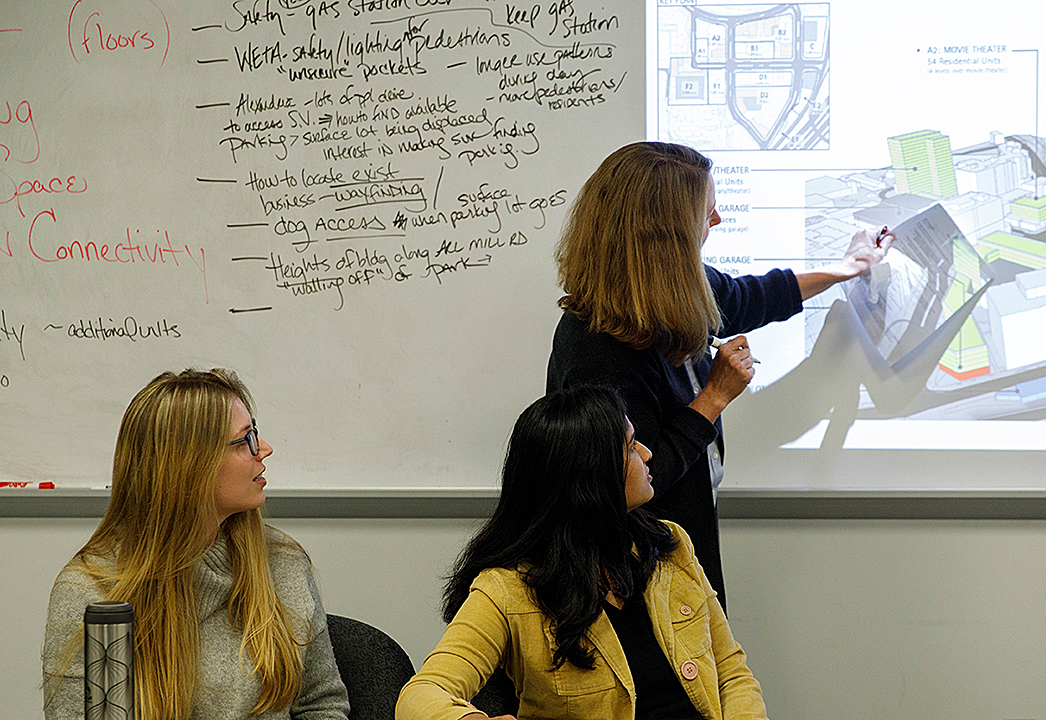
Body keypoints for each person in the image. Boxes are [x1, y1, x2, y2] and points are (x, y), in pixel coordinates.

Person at [546, 141, 892, 607]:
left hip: (682, 548)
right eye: (705, 213)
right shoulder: (597, 348)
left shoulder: (676, 288)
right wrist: (714, 397)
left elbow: (748, 298)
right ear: (665, 233)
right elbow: (635, 482)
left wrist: (844, 269)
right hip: (635, 576)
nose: (716, 222)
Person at [396, 385, 768, 720]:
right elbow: (422, 694)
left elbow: (730, 673)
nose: (647, 453)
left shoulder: (669, 544)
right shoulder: (507, 588)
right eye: (630, 445)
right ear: (590, 475)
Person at [42, 369, 349, 720]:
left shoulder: (283, 563)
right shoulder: (91, 592)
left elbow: (323, 706)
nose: (264, 449)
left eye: (256, 433)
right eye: (245, 439)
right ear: (191, 466)